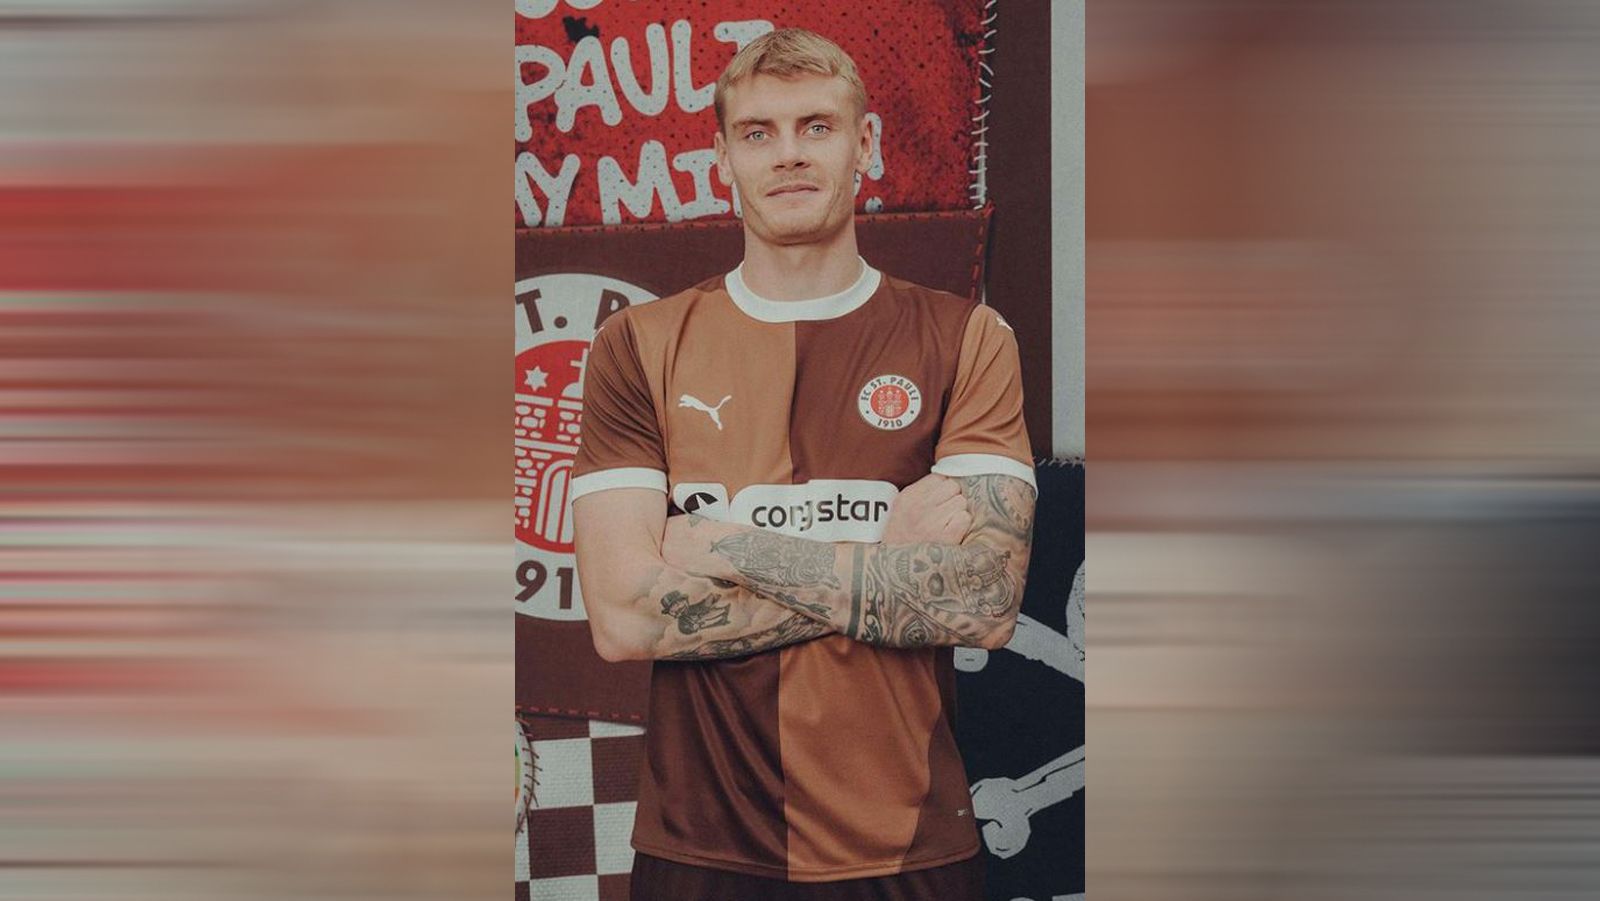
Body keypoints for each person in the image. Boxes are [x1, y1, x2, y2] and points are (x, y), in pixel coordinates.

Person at [570, 27, 1037, 901]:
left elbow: (983, 602)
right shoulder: (636, 344)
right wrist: (888, 564)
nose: (788, 153)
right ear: (722, 157)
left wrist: (725, 545)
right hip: (701, 847)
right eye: (759, 132)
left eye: (816, 126)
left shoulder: (967, 337)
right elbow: (625, 621)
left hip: (907, 846)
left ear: (866, 144)